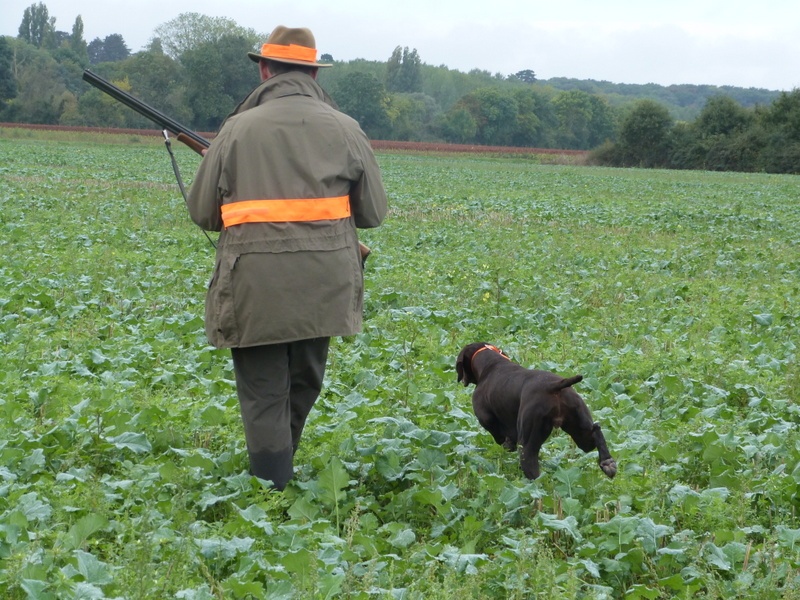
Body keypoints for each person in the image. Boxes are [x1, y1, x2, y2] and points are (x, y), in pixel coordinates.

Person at [186, 25, 388, 490]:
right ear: (315, 73)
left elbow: (203, 213)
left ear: (264, 68)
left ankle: (272, 487)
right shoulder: (347, 129)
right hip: (326, 283)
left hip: (255, 282)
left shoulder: (236, 129)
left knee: (263, 392)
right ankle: (279, 473)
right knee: (303, 383)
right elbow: (373, 214)